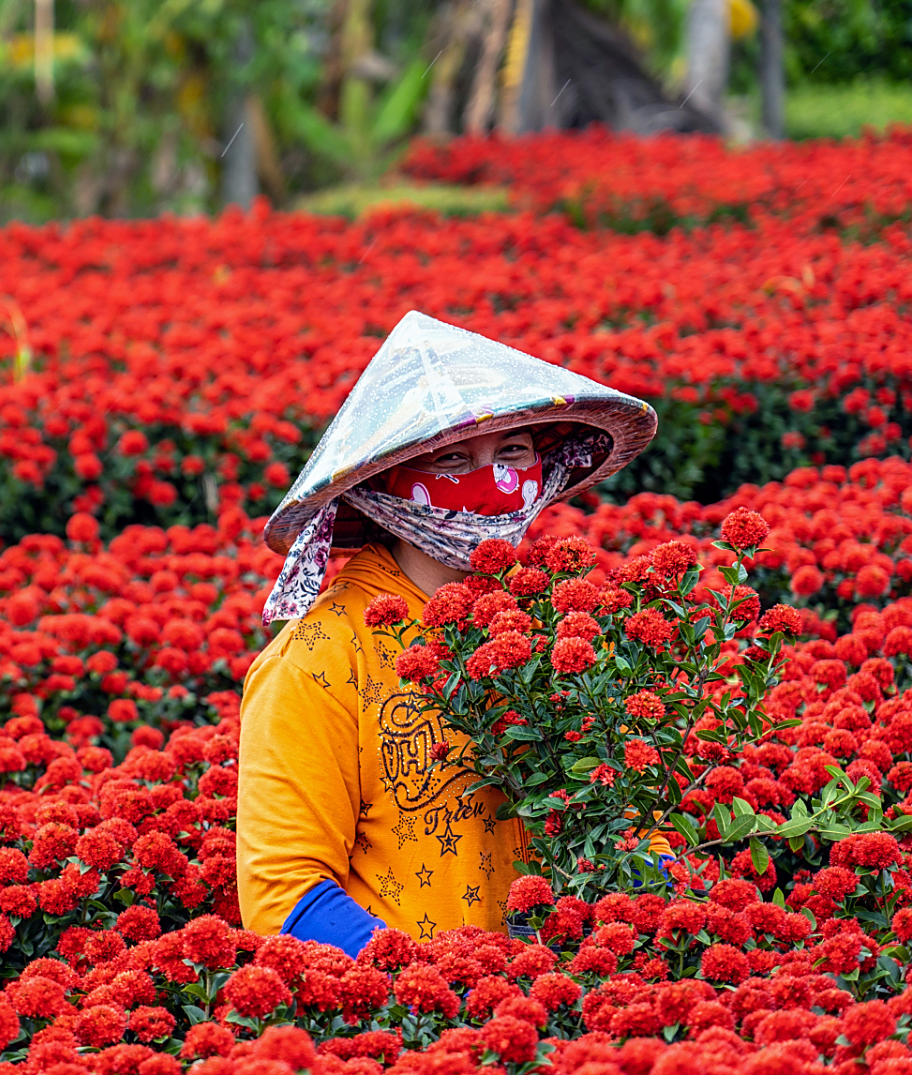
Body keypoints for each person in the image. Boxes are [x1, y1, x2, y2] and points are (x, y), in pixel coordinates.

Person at [235, 311, 658, 951]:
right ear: (382, 488)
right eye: (455, 459)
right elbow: (283, 889)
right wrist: (435, 986)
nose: (493, 482)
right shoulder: (318, 659)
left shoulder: (563, 631)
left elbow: (633, 815)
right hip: (417, 1027)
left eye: (513, 452)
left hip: (579, 1000)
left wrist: (670, 907)